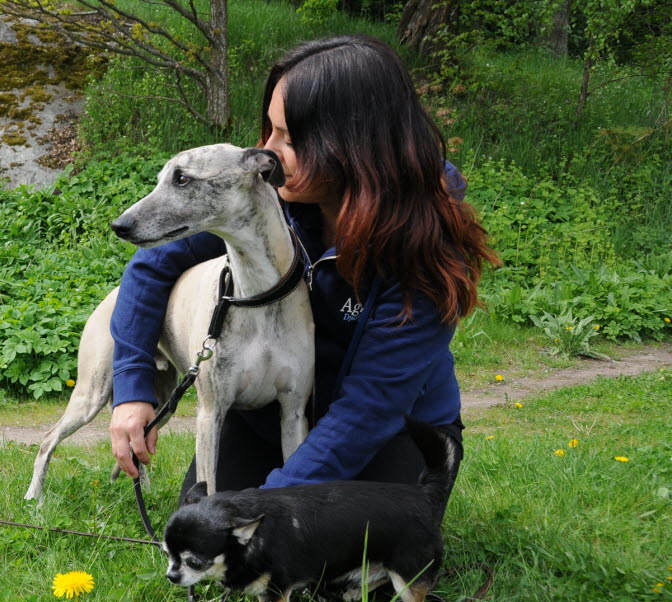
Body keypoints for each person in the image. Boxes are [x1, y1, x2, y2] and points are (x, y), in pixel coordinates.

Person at [107, 34, 498, 501]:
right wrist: (133, 387)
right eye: (270, 130)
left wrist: (268, 505)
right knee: (208, 536)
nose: (270, 151)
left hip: (389, 430)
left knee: (336, 546)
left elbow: (370, 409)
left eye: (290, 139)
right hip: (269, 418)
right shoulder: (269, 196)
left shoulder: (424, 241)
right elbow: (151, 268)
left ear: (355, 147)